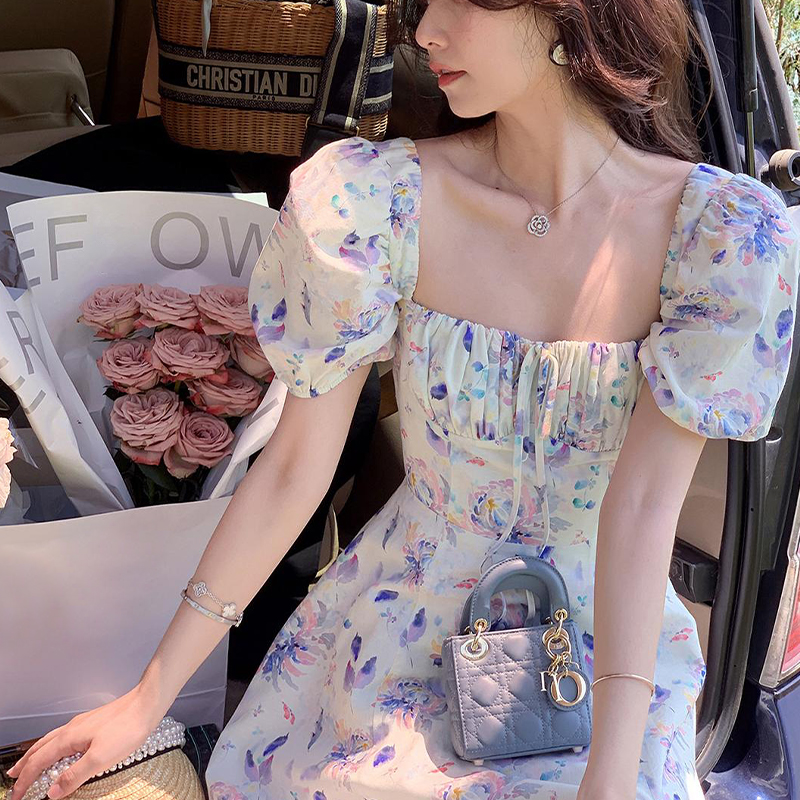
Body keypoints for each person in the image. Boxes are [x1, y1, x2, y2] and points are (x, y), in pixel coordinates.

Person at [8, 0, 800, 797]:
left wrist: (611, 777)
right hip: (394, 630)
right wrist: (150, 695)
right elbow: (294, 471)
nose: (423, 33)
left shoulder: (715, 237)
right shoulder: (375, 202)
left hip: (600, 657)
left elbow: (641, 512)